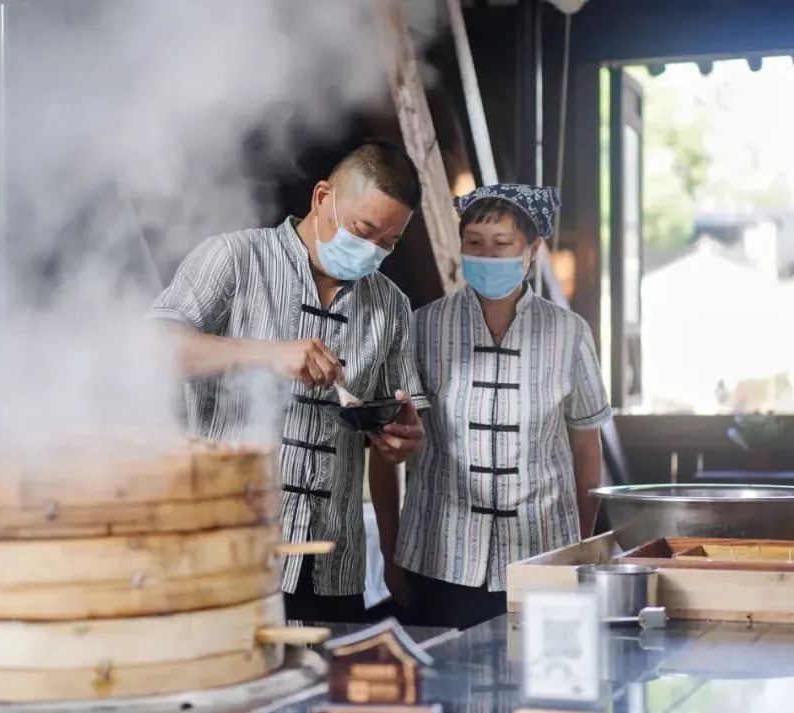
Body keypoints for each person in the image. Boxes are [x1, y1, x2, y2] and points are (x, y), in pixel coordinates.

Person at [148, 140, 428, 623]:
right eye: (363, 230)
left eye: (388, 243)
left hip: (333, 568)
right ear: (323, 198)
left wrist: (404, 441)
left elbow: (393, 437)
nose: (372, 251)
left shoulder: (391, 305)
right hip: (231, 553)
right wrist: (267, 353)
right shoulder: (235, 258)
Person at [370, 183, 611, 629]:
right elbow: (387, 450)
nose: (488, 256)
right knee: (448, 691)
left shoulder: (569, 333)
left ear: (532, 250)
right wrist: (390, 551)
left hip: (540, 558)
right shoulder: (421, 327)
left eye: (503, 245)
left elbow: (586, 452)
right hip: (438, 560)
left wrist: (575, 551)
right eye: (475, 244)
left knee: (534, 692)